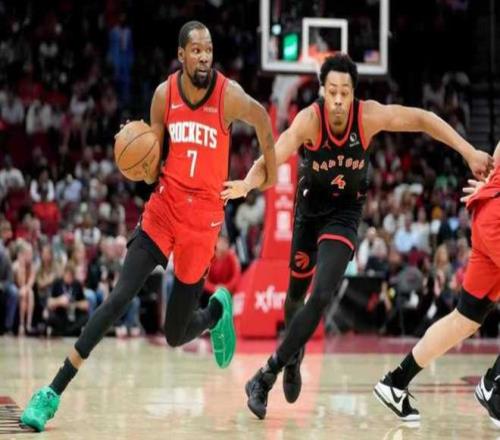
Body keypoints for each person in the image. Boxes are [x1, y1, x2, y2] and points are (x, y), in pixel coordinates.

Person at [20, 20, 276, 432]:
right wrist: (136, 156)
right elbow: (153, 161)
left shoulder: (228, 96)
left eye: (209, 50)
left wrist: (262, 177)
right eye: (196, 50)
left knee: (175, 334)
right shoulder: (164, 95)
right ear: (181, 54)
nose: (204, 57)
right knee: (119, 297)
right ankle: (51, 392)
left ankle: (215, 311)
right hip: (164, 208)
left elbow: (262, 118)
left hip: (203, 221)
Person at [221, 53, 493, 419]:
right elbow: (273, 155)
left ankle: (264, 376)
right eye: (332, 91)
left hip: (344, 215)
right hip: (309, 213)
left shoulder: (367, 117)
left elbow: (422, 119)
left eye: (344, 92)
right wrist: (247, 184)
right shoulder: (309, 121)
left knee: (321, 295)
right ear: (323, 91)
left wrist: (468, 151)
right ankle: (293, 356)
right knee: (295, 297)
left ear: (353, 94)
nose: (337, 99)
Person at [373, 141, 500, 425]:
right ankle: (495, 386)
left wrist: (493, 184)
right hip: (496, 215)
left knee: (464, 320)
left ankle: (396, 382)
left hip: (488, 210)